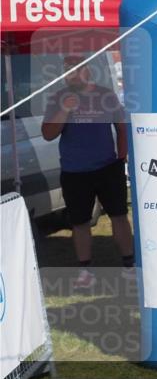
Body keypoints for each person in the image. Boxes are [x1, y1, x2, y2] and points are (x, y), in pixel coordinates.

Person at [42, 58, 135, 289]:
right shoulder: (58, 98)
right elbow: (48, 134)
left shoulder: (106, 95)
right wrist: (65, 109)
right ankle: (85, 270)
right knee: (80, 222)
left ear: (88, 71)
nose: (70, 75)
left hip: (107, 168)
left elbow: (122, 128)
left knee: (119, 216)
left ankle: (130, 265)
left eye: (75, 70)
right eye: (66, 71)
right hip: (74, 172)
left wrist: (121, 158)